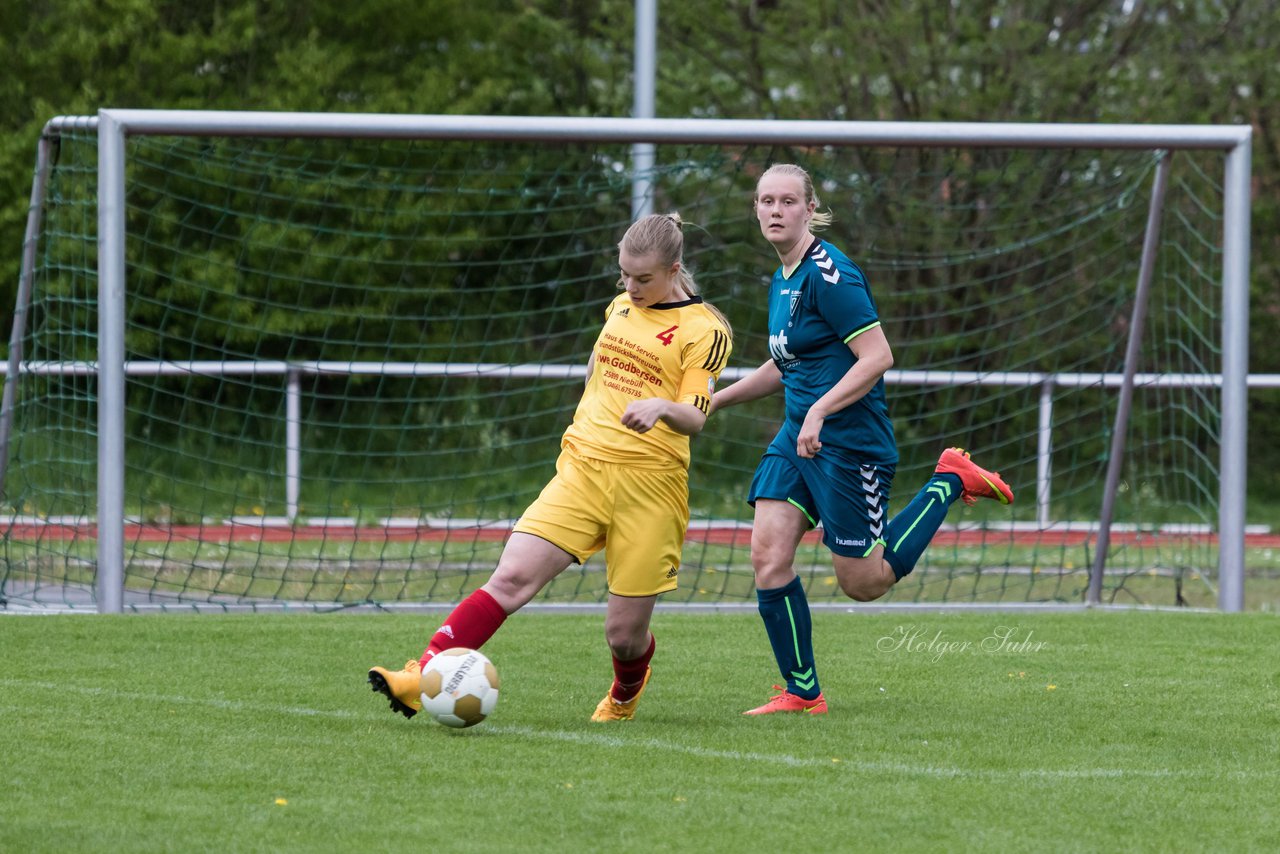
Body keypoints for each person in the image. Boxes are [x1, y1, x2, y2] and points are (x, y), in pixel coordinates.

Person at [369, 212, 732, 723]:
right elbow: (600, 365)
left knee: (624, 636)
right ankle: (420, 674)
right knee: (511, 576)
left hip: (651, 488)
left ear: (674, 270)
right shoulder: (621, 306)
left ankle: (626, 692)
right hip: (584, 469)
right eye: (624, 275)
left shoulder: (705, 330)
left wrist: (660, 407)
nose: (631, 286)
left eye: (643, 278)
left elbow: (694, 415)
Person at [711, 163, 1013, 716]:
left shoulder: (831, 274)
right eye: (765, 201)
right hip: (799, 437)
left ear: (809, 208)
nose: (775, 211)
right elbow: (784, 364)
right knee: (767, 556)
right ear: (755, 209)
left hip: (847, 442)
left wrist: (820, 412)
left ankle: (948, 479)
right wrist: (712, 399)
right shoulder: (783, 276)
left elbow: (877, 357)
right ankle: (803, 693)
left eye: (787, 202)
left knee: (864, 583)